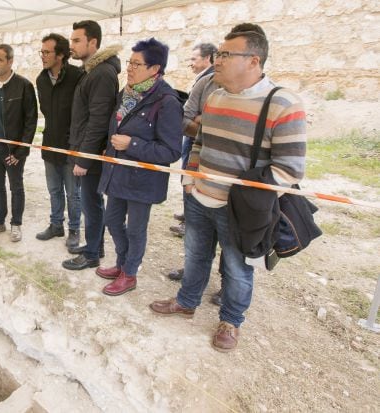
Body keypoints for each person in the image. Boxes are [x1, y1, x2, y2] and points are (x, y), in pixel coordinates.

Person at [149, 24, 307, 352]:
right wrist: (190, 180)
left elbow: (289, 169)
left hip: (240, 208)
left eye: (225, 54)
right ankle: (187, 301)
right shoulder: (215, 96)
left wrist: (250, 199)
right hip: (199, 197)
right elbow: (199, 142)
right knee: (194, 255)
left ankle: (231, 320)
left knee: (236, 267)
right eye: (217, 54)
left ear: (253, 60)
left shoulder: (283, 103)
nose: (216, 60)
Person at [95, 38, 182, 296]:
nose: (129, 68)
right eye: (129, 62)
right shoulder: (127, 93)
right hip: (117, 173)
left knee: (135, 229)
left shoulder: (167, 101)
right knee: (111, 220)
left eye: (136, 63)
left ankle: (130, 273)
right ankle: (122, 263)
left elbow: (171, 151)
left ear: (155, 69)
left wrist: (132, 144)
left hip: (142, 180)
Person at [61, 20, 121, 271]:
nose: (71, 45)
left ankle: (92, 253)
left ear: (93, 42)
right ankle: (95, 245)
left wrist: (84, 159)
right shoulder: (93, 71)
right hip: (87, 149)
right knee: (92, 202)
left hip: (92, 154)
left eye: (76, 40)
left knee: (91, 204)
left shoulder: (102, 73)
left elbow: (98, 121)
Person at [0, 44, 38, 242]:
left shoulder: (24, 85)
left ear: (10, 61)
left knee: (16, 186)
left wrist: (20, 152)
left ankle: (16, 224)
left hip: (13, 149)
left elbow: (31, 122)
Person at [35, 33, 83, 248]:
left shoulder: (78, 76)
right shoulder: (41, 79)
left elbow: (82, 113)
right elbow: (45, 110)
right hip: (49, 143)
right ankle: (56, 225)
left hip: (71, 146)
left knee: (73, 193)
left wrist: (76, 143)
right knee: (54, 190)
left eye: (47, 52)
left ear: (61, 55)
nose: (43, 56)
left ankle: (74, 230)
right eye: (41, 52)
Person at [170, 42, 218, 237]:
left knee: (192, 179)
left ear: (208, 59)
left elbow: (211, 117)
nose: (190, 63)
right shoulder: (203, 80)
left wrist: (199, 118)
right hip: (192, 138)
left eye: (194, 58)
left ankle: (190, 222)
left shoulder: (210, 81)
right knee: (187, 178)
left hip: (198, 142)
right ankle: (189, 216)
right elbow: (187, 116)